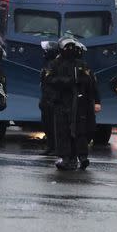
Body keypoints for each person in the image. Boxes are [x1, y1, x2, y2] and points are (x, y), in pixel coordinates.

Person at [45, 37, 98, 170]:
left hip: (78, 102)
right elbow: (49, 80)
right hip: (61, 102)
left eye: (71, 48)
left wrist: (93, 99)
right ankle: (66, 157)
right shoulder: (54, 64)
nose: (69, 50)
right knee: (62, 131)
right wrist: (67, 81)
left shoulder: (80, 64)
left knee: (79, 130)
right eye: (66, 48)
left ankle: (81, 156)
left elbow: (89, 82)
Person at [38, 40, 60, 156]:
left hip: (52, 100)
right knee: (47, 125)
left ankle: (56, 147)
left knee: (54, 125)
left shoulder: (55, 65)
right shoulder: (47, 65)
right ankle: (50, 146)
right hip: (46, 99)